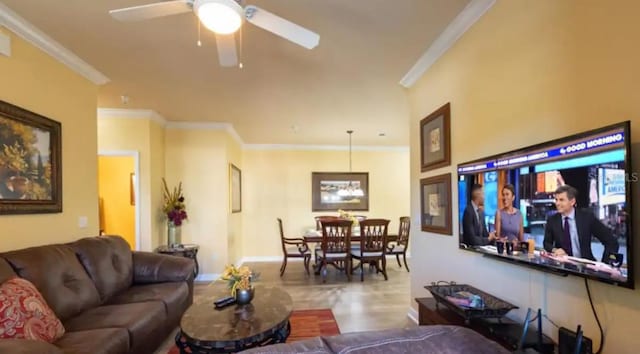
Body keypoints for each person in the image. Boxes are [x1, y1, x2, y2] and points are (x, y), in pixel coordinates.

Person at [543, 184, 618, 261]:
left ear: (572, 201)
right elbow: (546, 243)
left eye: (561, 200)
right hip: (562, 266)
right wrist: (555, 250)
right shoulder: (552, 220)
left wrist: (604, 265)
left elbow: (611, 241)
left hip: (585, 267)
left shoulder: (587, 218)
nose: (557, 203)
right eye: (556, 200)